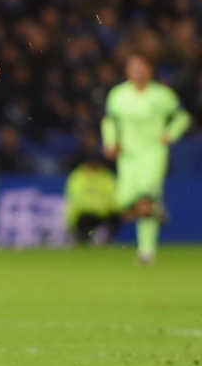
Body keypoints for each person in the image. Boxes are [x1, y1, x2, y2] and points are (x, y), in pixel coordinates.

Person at [101, 53, 192, 263]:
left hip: (153, 153)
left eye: (141, 67)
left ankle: (146, 252)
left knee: (143, 201)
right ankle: (155, 207)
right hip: (128, 156)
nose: (137, 71)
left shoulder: (162, 95)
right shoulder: (118, 95)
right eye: (133, 67)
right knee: (124, 202)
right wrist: (110, 142)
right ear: (127, 71)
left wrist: (170, 134)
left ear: (149, 70)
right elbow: (109, 121)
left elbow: (183, 117)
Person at [64, 154, 120, 244]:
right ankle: (83, 239)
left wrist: (105, 209)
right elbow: (77, 199)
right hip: (83, 214)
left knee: (115, 217)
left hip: (102, 213)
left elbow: (114, 196)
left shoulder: (106, 176)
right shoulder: (77, 176)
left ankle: (106, 239)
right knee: (85, 219)